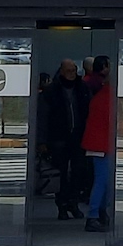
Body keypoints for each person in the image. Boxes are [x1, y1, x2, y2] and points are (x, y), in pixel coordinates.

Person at [35, 59, 87, 219]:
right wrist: (42, 141)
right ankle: (62, 205)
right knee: (61, 172)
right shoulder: (52, 91)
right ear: (62, 71)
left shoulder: (82, 88)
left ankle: (73, 202)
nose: (72, 74)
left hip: (78, 136)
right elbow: (43, 117)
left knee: (78, 171)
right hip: (58, 137)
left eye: (74, 70)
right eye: (69, 71)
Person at [81, 54, 115, 233]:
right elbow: (117, 120)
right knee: (102, 180)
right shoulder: (109, 96)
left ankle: (99, 212)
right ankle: (94, 214)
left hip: (97, 143)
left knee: (103, 180)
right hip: (101, 144)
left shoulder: (101, 94)